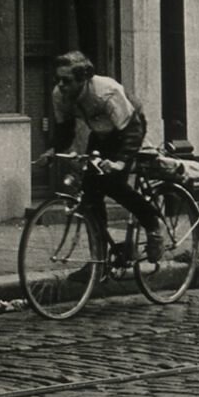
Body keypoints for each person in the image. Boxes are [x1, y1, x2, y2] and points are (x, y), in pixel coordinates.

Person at [39, 50, 164, 259]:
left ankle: (152, 222)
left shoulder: (106, 91)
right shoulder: (60, 95)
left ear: (83, 78)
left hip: (126, 131)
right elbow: (65, 130)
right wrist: (53, 151)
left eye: (66, 80)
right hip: (100, 133)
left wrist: (121, 163)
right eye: (58, 79)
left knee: (113, 183)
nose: (61, 85)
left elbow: (132, 130)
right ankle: (99, 261)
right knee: (90, 193)